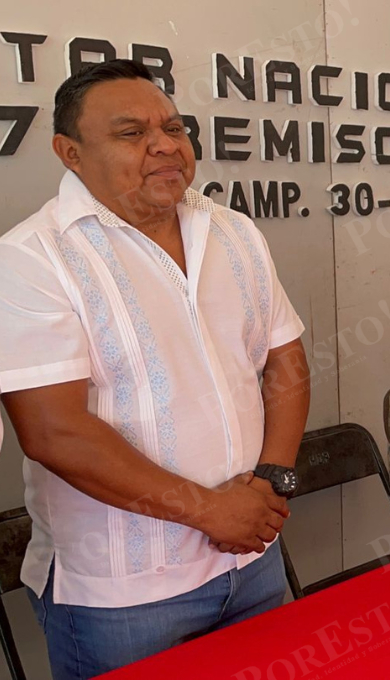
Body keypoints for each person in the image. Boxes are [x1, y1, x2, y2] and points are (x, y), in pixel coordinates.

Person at [0, 60, 310, 679]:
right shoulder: (31, 259)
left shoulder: (234, 231)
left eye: (173, 126)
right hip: (126, 597)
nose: (165, 144)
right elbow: (54, 431)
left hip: (254, 558)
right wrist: (209, 511)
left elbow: (285, 360)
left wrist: (272, 482)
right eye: (130, 133)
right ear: (70, 153)